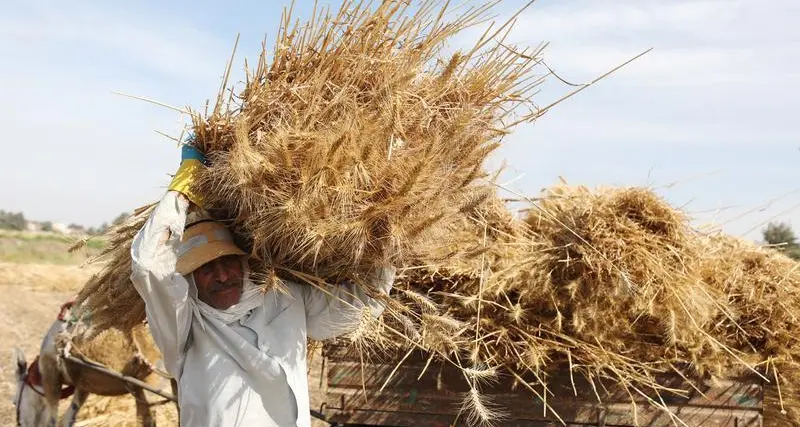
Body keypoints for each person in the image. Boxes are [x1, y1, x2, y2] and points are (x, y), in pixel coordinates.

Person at [130, 142, 395, 427]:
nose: (221, 276)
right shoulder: (183, 326)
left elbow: (361, 305)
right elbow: (148, 265)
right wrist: (184, 186)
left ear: (242, 260)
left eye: (226, 261)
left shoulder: (284, 297)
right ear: (189, 279)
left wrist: (389, 233)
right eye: (204, 268)